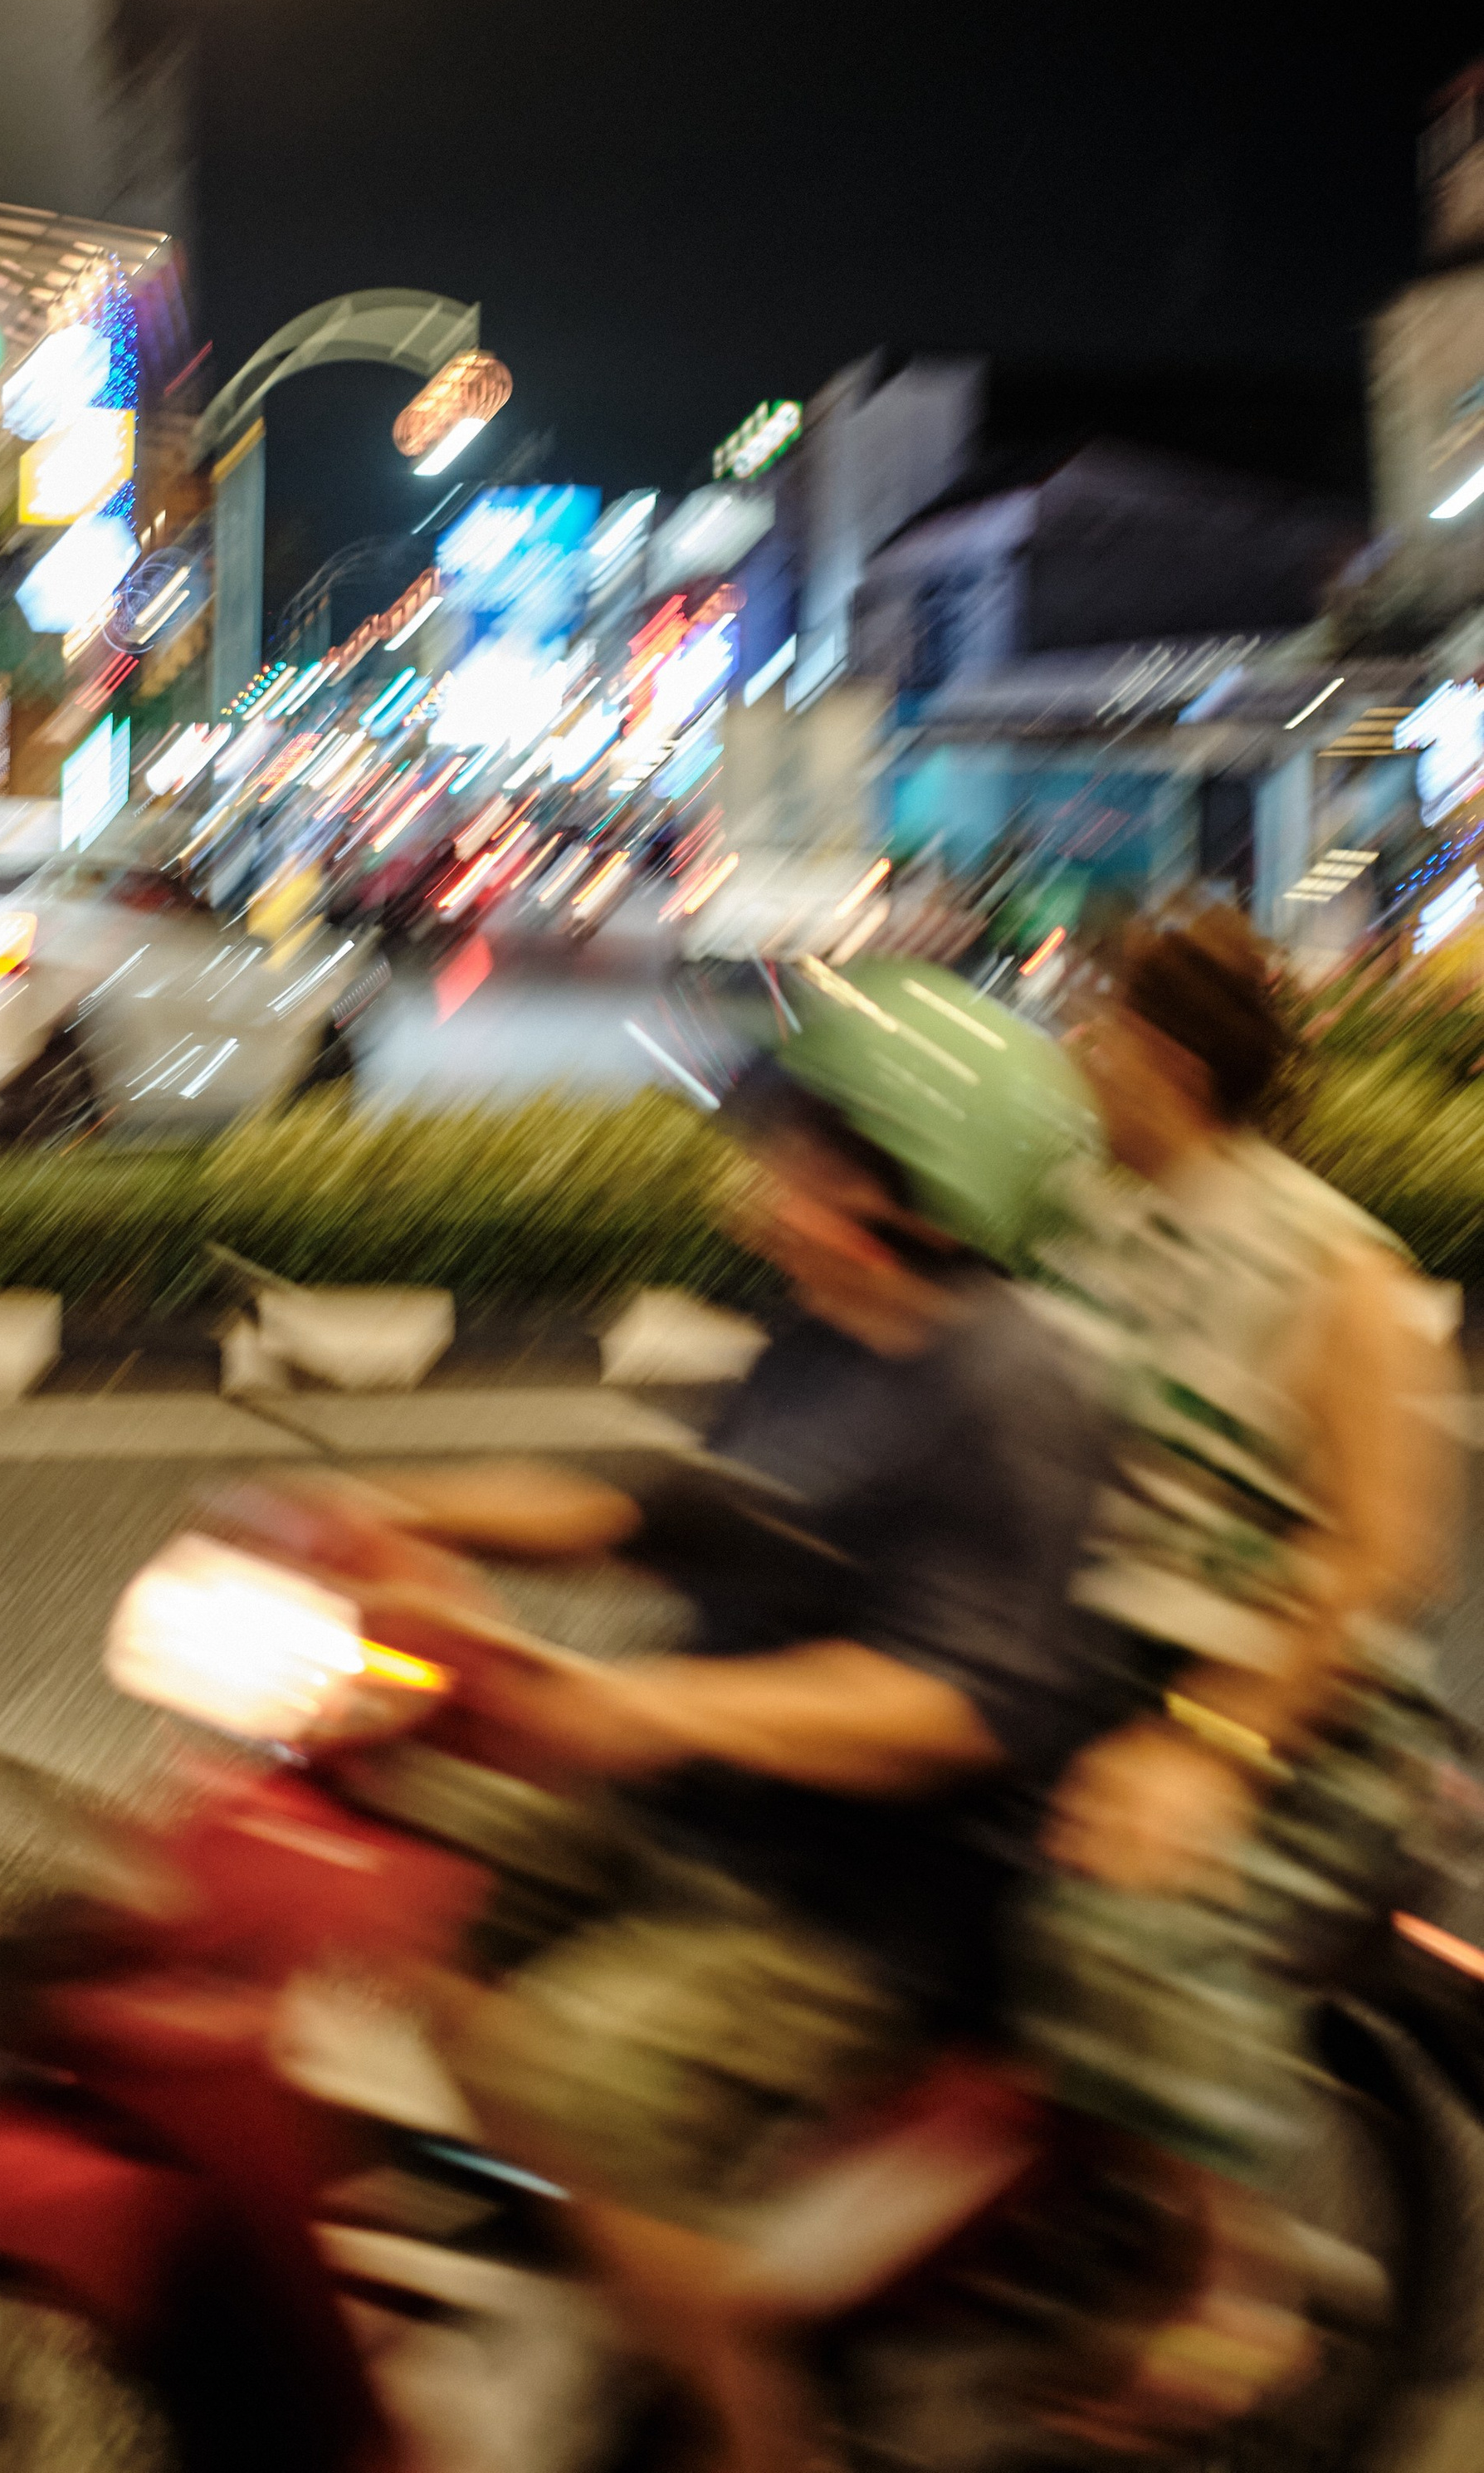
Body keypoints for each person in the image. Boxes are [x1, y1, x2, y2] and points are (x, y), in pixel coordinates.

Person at [324, 959, 1112, 2473]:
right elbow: (651, 1512)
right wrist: (389, 1512)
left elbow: (956, 1705)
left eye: (796, 1146)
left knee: (577, 2079)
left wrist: (666, 1706)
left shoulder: (1008, 1389)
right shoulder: (819, 1337)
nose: (756, 1171)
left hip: (860, 1907)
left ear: (899, 1188)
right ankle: (592, 2278)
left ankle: (758, 2432)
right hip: (706, 1821)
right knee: (381, 1887)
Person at [1018, 903, 1459, 2441]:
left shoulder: (1335, 1271)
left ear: (1169, 1063)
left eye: (1095, 1025)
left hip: (1298, 1718)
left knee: (1123, 1910)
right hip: (1099, 1670)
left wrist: (1213, 1747)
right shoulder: (1091, 1220)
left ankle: (1239, 2276)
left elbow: (1374, 1559)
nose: (1074, 1053)